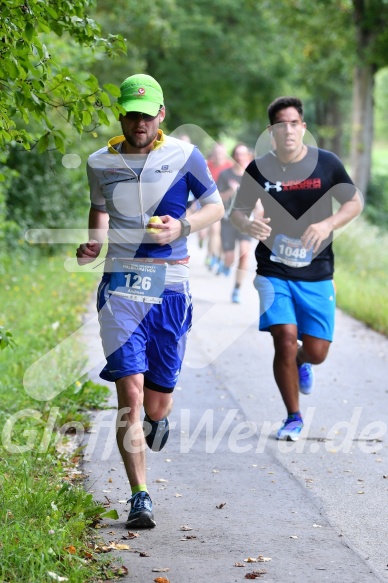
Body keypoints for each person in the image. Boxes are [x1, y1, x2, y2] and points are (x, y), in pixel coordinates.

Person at [76, 74, 223, 527]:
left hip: (171, 286)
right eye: (132, 113)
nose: (140, 121)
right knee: (131, 395)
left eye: (147, 113)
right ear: (122, 115)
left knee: (157, 403)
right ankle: (140, 496)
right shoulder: (100, 161)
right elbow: (99, 207)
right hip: (120, 288)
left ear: (161, 115)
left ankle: (159, 419)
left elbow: (216, 206)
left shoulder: (185, 156)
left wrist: (182, 227)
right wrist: (94, 242)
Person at [230, 96, 362, 441]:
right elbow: (237, 212)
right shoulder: (259, 168)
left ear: (302, 127)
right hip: (273, 269)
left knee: (316, 351)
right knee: (285, 338)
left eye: (294, 123)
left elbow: (354, 201)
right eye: (280, 125)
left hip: (316, 270)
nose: (288, 130)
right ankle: (293, 416)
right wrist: (250, 225)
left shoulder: (326, 164)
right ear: (271, 131)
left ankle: (303, 362)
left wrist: (328, 224)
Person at [216, 143, 252, 303]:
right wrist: (232, 190)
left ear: (248, 157)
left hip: (245, 221)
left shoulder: (252, 176)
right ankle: (225, 263)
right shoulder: (225, 175)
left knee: (245, 254)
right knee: (229, 257)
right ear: (233, 156)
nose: (239, 157)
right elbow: (218, 198)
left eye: (243, 154)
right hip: (228, 220)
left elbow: (259, 198)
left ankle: (237, 289)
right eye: (237, 154)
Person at [204, 143, 233, 269]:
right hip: (209, 202)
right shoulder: (207, 165)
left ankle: (219, 256)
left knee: (222, 233)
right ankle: (211, 255)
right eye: (216, 153)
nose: (218, 155)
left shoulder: (229, 167)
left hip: (226, 203)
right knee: (214, 230)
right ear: (213, 154)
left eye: (221, 153)